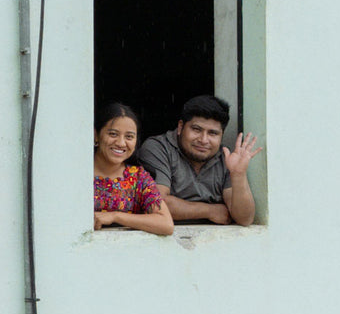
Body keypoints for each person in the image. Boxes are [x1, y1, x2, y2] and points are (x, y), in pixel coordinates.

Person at [137, 94, 262, 226]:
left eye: (212, 133)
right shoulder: (158, 148)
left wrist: (238, 174)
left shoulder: (226, 158)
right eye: (196, 129)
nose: (203, 140)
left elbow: (245, 219)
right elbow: (156, 203)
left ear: (221, 135)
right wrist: (210, 211)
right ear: (180, 127)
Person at [93, 102, 174, 236]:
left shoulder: (138, 178)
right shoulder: (78, 173)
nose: (121, 143)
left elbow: (166, 224)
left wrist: (115, 216)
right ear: (96, 135)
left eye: (129, 136)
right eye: (113, 134)